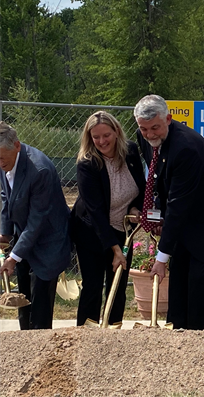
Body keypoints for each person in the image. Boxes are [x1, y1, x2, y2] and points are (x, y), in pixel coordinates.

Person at [134, 94, 204, 330]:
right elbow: (160, 180)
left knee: (199, 283)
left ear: (169, 119)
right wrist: (158, 214)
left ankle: (199, 340)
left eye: (155, 128)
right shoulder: (146, 139)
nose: (150, 134)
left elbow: (179, 204)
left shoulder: (186, 148)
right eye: (144, 129)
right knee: (179, 280)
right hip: (186, 217)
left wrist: (161, 259)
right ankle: (176, 333)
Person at [71, 111, 145, 326]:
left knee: (119, 284)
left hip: (123, 229)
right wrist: (115, 250)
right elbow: (95, 211)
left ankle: (113, 330)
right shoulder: (87, 164)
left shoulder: (130, 152)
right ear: (89, 138)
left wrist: (136, 208)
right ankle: (86, 333)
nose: (101, 141)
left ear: (117, 132)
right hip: (91, 231)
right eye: (96, 137)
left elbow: (141, 188)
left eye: (106, 135)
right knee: (93, 285)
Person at [0, 121, 71, 329]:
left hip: (49, 242)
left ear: (17, 146)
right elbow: (6, 197)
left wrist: (13, 257)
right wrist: (5, 235)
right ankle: (26, 343)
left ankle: (43, 351)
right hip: (25, 240)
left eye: (2, 157)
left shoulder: (40, 170)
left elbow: (37, 220)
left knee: (39, 308)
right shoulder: (4, 162)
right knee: (23, 301)